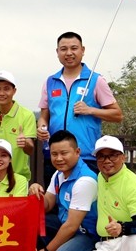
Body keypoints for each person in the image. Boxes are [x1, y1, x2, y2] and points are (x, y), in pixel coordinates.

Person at [37, 31, 124, 173]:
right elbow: (43, 116)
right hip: (55, 157)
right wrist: (42, 128)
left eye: (74, 48)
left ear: (82, 50)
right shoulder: (50, 81)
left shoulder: (96, 80)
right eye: (63, 49)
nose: (69, 53)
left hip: (85, 157)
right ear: (57, 52)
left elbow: (117, 115)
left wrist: (90, 110)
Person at [27, 130, 100, 251]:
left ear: (77, 152)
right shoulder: (59, 174)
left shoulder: (85, 180)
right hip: (68, 227)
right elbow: (47, 205)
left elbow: (71, 226)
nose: (59, 158)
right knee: (33, 222)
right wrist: (36, 192)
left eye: (64, 153)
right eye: (54, 154)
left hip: (88, 235)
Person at [0, 71, 37, 181]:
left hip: (18, 176)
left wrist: (25, 143)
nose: (1, 93)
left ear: (14, 91)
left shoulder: (27, 115)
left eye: (6, 89)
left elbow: (30, 150)